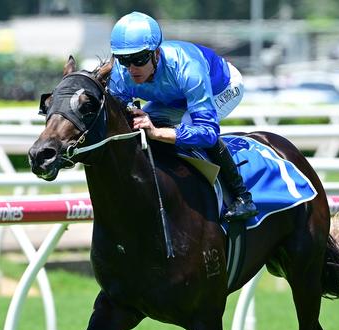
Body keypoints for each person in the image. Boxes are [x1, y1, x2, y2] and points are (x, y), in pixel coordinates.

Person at [108, 11, 258, 222]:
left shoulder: (187, 67)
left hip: (221, 88)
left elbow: (207, 133)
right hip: (173, 98)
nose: (132, 69)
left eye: (139, 59)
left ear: (156, 53)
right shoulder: (120, 74)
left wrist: (158, 132)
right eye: (124, 60)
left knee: (189, 126)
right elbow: (121, 109)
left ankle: (243, 197)